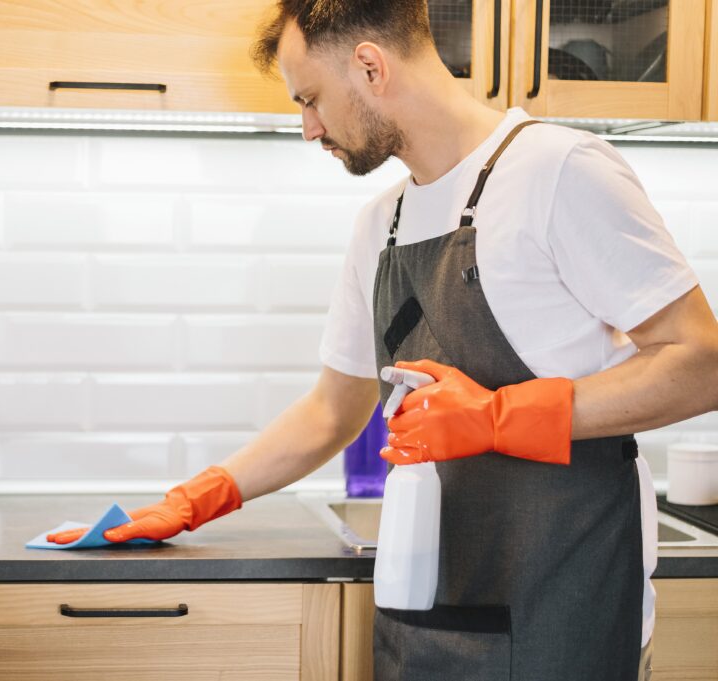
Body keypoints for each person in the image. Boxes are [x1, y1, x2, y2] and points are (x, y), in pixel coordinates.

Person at [49, 1, 718, 678]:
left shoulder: (559, 170)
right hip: (427, 620)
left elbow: (700, 361)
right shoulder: (383, 223)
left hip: (563, 618)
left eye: (310, 99)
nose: (308, 128)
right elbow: (332, 410)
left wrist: (497, 416)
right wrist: (191, 502)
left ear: (370, 66)